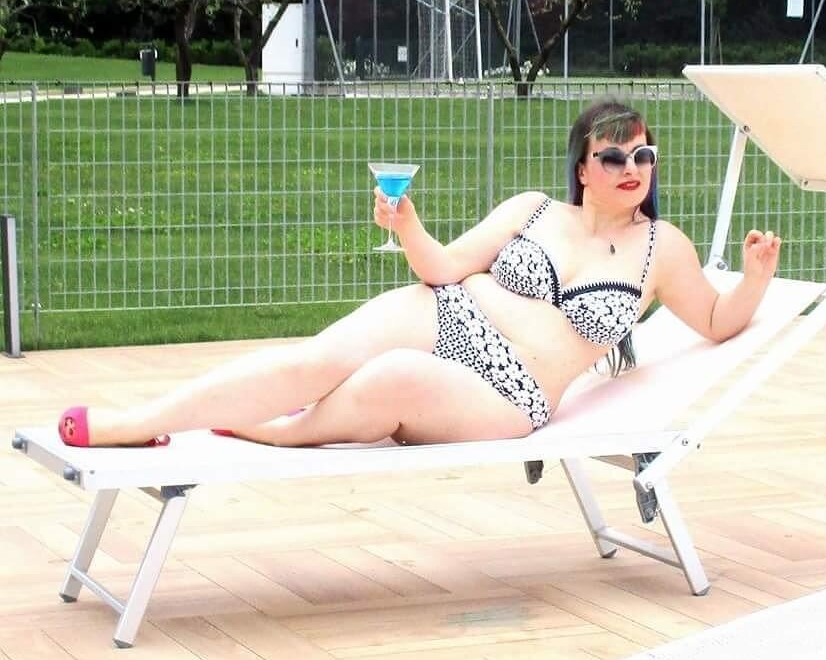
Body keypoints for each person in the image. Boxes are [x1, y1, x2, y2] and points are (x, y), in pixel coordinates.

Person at [57, 100, 781, 450]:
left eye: (642, 156)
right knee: (315, 359)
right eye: (613, 156)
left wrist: (753, 279)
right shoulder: (531, 209)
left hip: (512, 393)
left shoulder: (662, 249)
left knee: (391, 377)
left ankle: (285, 434)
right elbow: (443, 267)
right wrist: (406, 224)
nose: (631, 168)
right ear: (583, 168)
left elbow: (716, 321)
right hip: (450, 311)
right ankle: (138, 424)